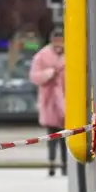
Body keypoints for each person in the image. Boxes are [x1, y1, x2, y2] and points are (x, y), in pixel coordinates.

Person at [29, 29, 67, 176]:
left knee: (65, 135)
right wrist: (49, 73)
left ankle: (64, 165)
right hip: (50, 101)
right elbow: (34, 76)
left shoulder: (69, 54)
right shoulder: (42, 56)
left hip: (65, 100)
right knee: (51, 136)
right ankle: (51, 163)